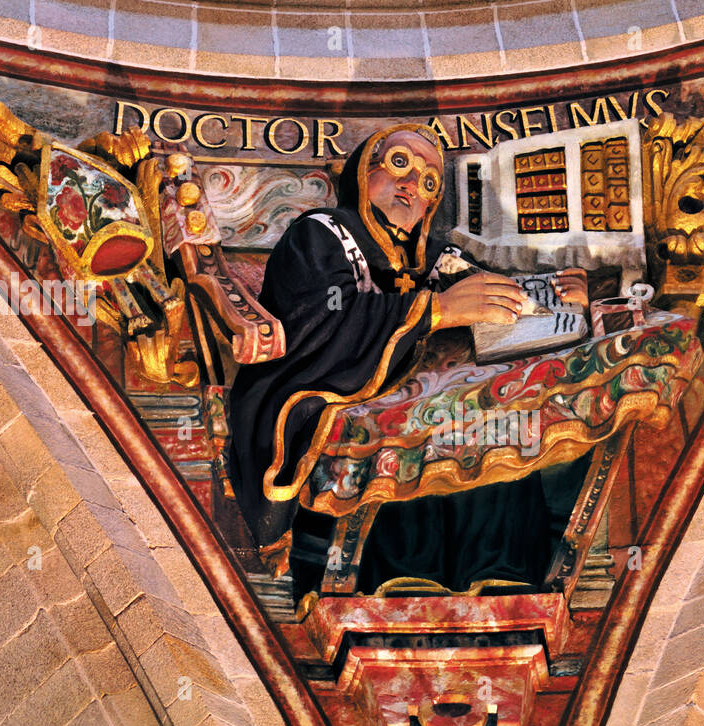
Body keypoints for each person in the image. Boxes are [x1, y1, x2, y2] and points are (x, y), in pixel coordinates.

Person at [225, 123, 586, 591]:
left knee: (498, 418)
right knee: (442, 425)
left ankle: (500, 572)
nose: (413, 186)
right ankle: (399, 579)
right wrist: (434, 310)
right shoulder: (320, 234)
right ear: (363, 174)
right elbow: (320, 321)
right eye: (400, 164)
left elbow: (496, 296)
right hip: (320, 390)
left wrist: (560, 297)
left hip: (424, 399)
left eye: (429, 183)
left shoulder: (431, 257)